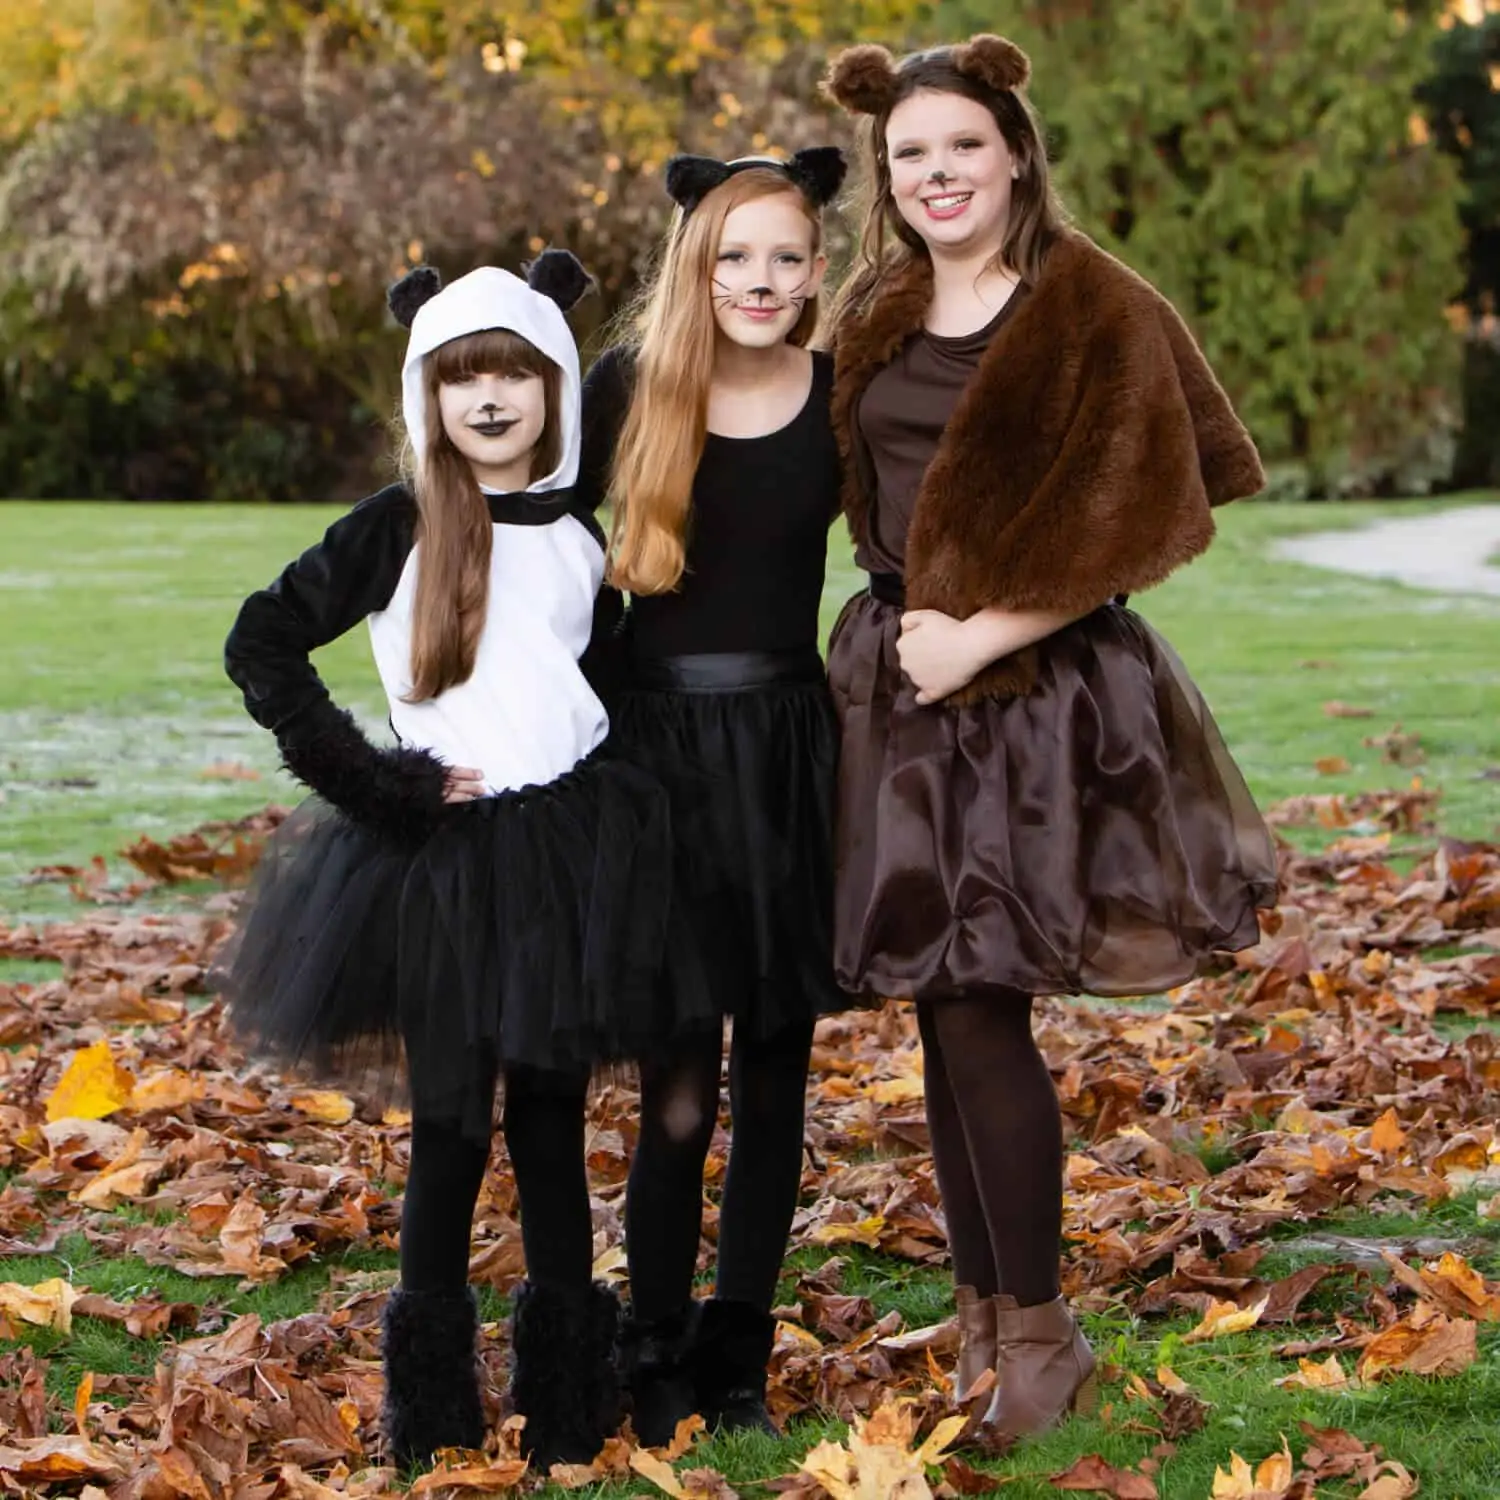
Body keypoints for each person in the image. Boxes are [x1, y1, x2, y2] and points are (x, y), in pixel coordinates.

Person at [819, 35, 1279, 1442]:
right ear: (885, 179)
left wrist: (984, 634)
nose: (936, 173)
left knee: (981, 997)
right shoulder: (880, 304)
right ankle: (983, 1317)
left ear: (1016, 151)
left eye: (961, 146)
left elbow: (1135, 509)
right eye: (909, 155)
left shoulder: (1089, 308)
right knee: (942, 1005)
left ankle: (1040, 1331)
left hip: (1033, 690)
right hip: (899, 683)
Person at [219, 253, 673, 1469]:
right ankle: (431, 1413)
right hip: (440, 867)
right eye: (460, 377)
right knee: (454, 1131)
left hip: (566, 862)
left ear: (554, 388)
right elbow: (261, 640)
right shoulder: (397, 528)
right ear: (428, 392)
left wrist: (612, 788)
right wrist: (377, 781)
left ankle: (569, 1406)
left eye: (514, 375)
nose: (488, 400)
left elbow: (605, 678)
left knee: (553, 1128)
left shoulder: (580, 534)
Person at [576, 148, 849, 1443]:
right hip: (664, 759)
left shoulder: (837, 398)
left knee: (780, 1062)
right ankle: (655, 1341)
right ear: (698, 260)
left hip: (794, 749)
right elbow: (538, 551)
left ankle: (743, 1348)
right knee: (681, 1078)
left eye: (785, 257)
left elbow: (925, 541)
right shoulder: (632, 388)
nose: (760, 279)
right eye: (735, 254)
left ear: (815, 272)